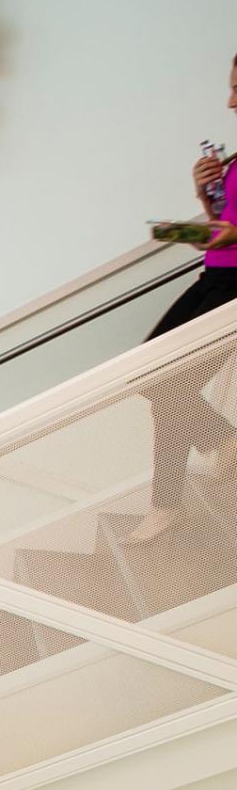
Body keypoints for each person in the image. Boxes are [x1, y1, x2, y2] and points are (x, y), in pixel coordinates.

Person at [126, 55, 237, 545]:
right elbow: (216, 234)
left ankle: (165, 505)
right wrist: (203, 196)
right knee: (152, 376)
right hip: (213, 278)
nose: (230, 101)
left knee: (166, 384)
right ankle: (219, 441)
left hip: (233, 289)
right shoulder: (234, 164)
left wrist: (168, 228)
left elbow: (227, 233)